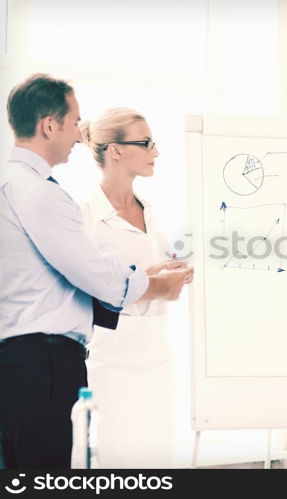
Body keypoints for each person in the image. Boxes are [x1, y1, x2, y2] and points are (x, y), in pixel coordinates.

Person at [0, 74, 192, 468]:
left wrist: (145, 277)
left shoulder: (16, 184)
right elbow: (95, 277)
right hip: (47, 359)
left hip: (51, 357)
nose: (77, 134)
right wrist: (154, 285)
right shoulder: (43, 194)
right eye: (73, 123)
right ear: (48, 125)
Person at [79, 108, 184, 467]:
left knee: (158, 459)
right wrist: (151, 283)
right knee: (114, 459)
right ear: (116, 151)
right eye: (146, 143)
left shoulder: (151, 211)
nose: (155, 151)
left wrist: (174, 275)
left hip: (158, 352)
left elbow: (147, 272)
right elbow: (81, 292)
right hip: (113, 356)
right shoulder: (84, 216)